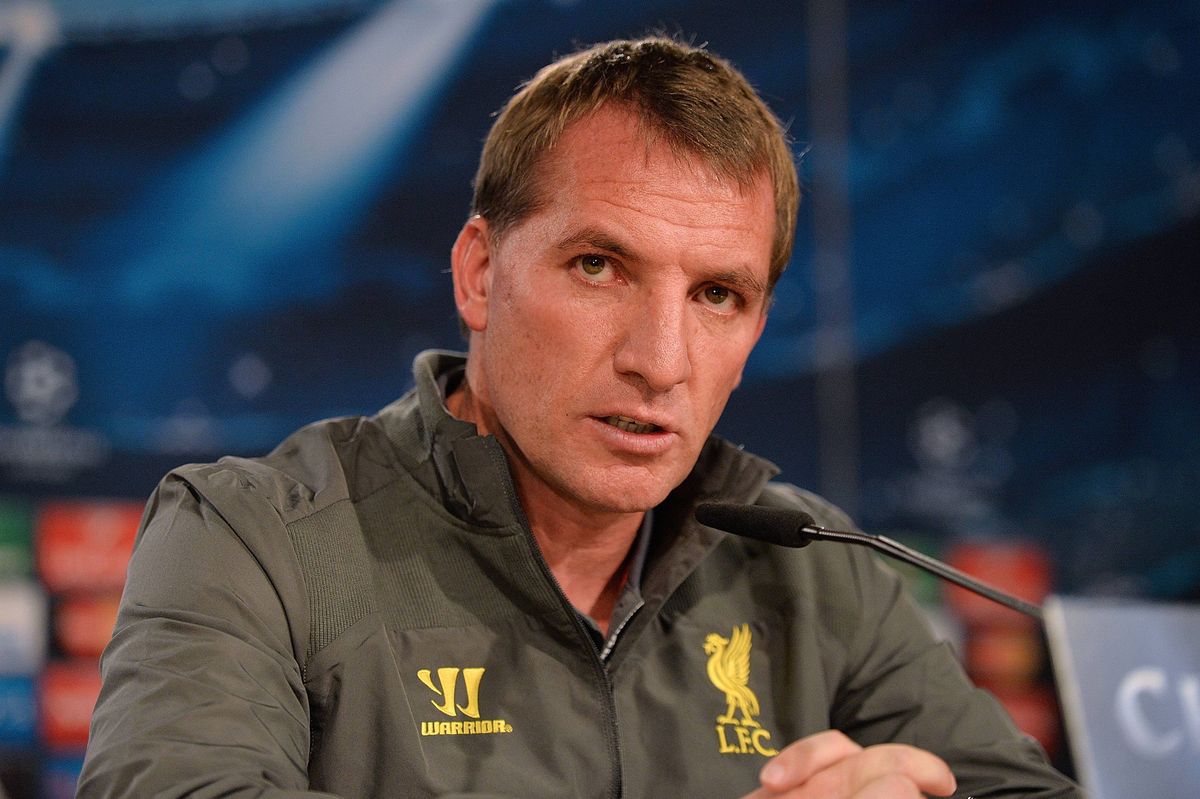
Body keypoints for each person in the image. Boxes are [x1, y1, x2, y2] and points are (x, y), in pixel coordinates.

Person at [78, 37, 1080, 798]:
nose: (659, 359)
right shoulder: (251, 538)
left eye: (717, 296)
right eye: (598, 266)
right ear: (480, 274)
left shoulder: (819, 570)